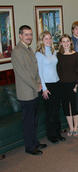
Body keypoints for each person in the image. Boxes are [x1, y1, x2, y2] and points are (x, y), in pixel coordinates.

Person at [11, 25, 47, 155]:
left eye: (30, 34)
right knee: (28, 122)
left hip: (34, 91)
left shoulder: (29, 49)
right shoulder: (17, 51)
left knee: (34, 120)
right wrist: (36, 85)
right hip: (26, 93)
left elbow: (35, 69)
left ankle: (35, 142)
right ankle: (30, 147)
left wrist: (39, 83)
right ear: (20, 35)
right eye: (26, 34)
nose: (29, 37)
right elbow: (23, 73)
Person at [35, 31, 65, 144]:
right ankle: (51, 135)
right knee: (50, 112)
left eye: (50, 38)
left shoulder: (54, 52)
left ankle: (58, 133)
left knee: (57, 110)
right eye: (46, 39)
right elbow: (40, 73)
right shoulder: (39, 54)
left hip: (57, 83)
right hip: (47, 86)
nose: (48, 40)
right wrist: (44, 88)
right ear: (41, 40)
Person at [57, 34, 78, 137]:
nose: (66, 43)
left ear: (70, 42)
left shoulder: (76, 55)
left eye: (67, 41)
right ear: (60, 43)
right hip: (62, 85)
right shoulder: (58, 55)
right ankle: (71, 128)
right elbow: (57, 71)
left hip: (74, 85)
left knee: (74, 106)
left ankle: (76, 127)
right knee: (66, 107)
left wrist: (77, 85)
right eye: (63, 41)